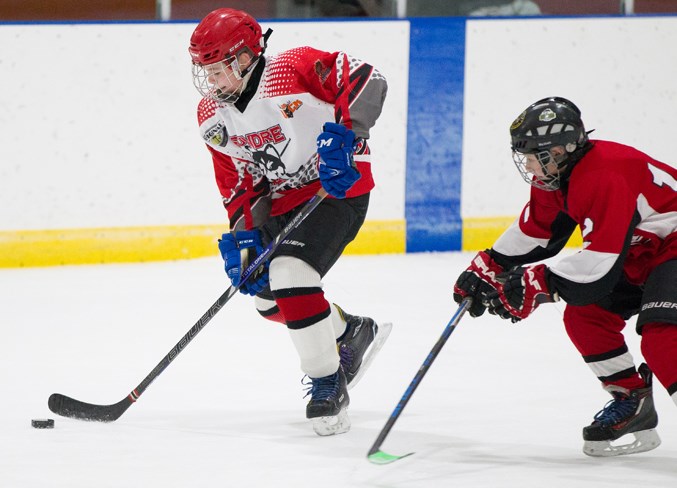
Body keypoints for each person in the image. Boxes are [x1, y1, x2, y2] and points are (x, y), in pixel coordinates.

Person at [188, 8, 390, 436]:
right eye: (206, 72)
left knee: (290, 273)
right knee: (266, 297)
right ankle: (349, 330)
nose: (213, 82)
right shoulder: (211, 115)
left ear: (245, 58)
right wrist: (245, 239)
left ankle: (327, 381)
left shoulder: (291, 67)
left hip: (335, 188)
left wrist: (348, 134)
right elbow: (241, 184)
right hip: (284, 203)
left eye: (220, 69)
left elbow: (368, 80)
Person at [453, 96, 677, 457]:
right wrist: (490, 265)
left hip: (672, 248)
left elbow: (600, 263)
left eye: (533, 154)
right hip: (645, 254)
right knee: (585, 315)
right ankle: (632, 399)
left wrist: (539, 284)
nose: (527, 164)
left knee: (663, 338)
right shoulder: (554, 176)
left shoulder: (605, 174)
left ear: (560, 149)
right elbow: (539, 230)